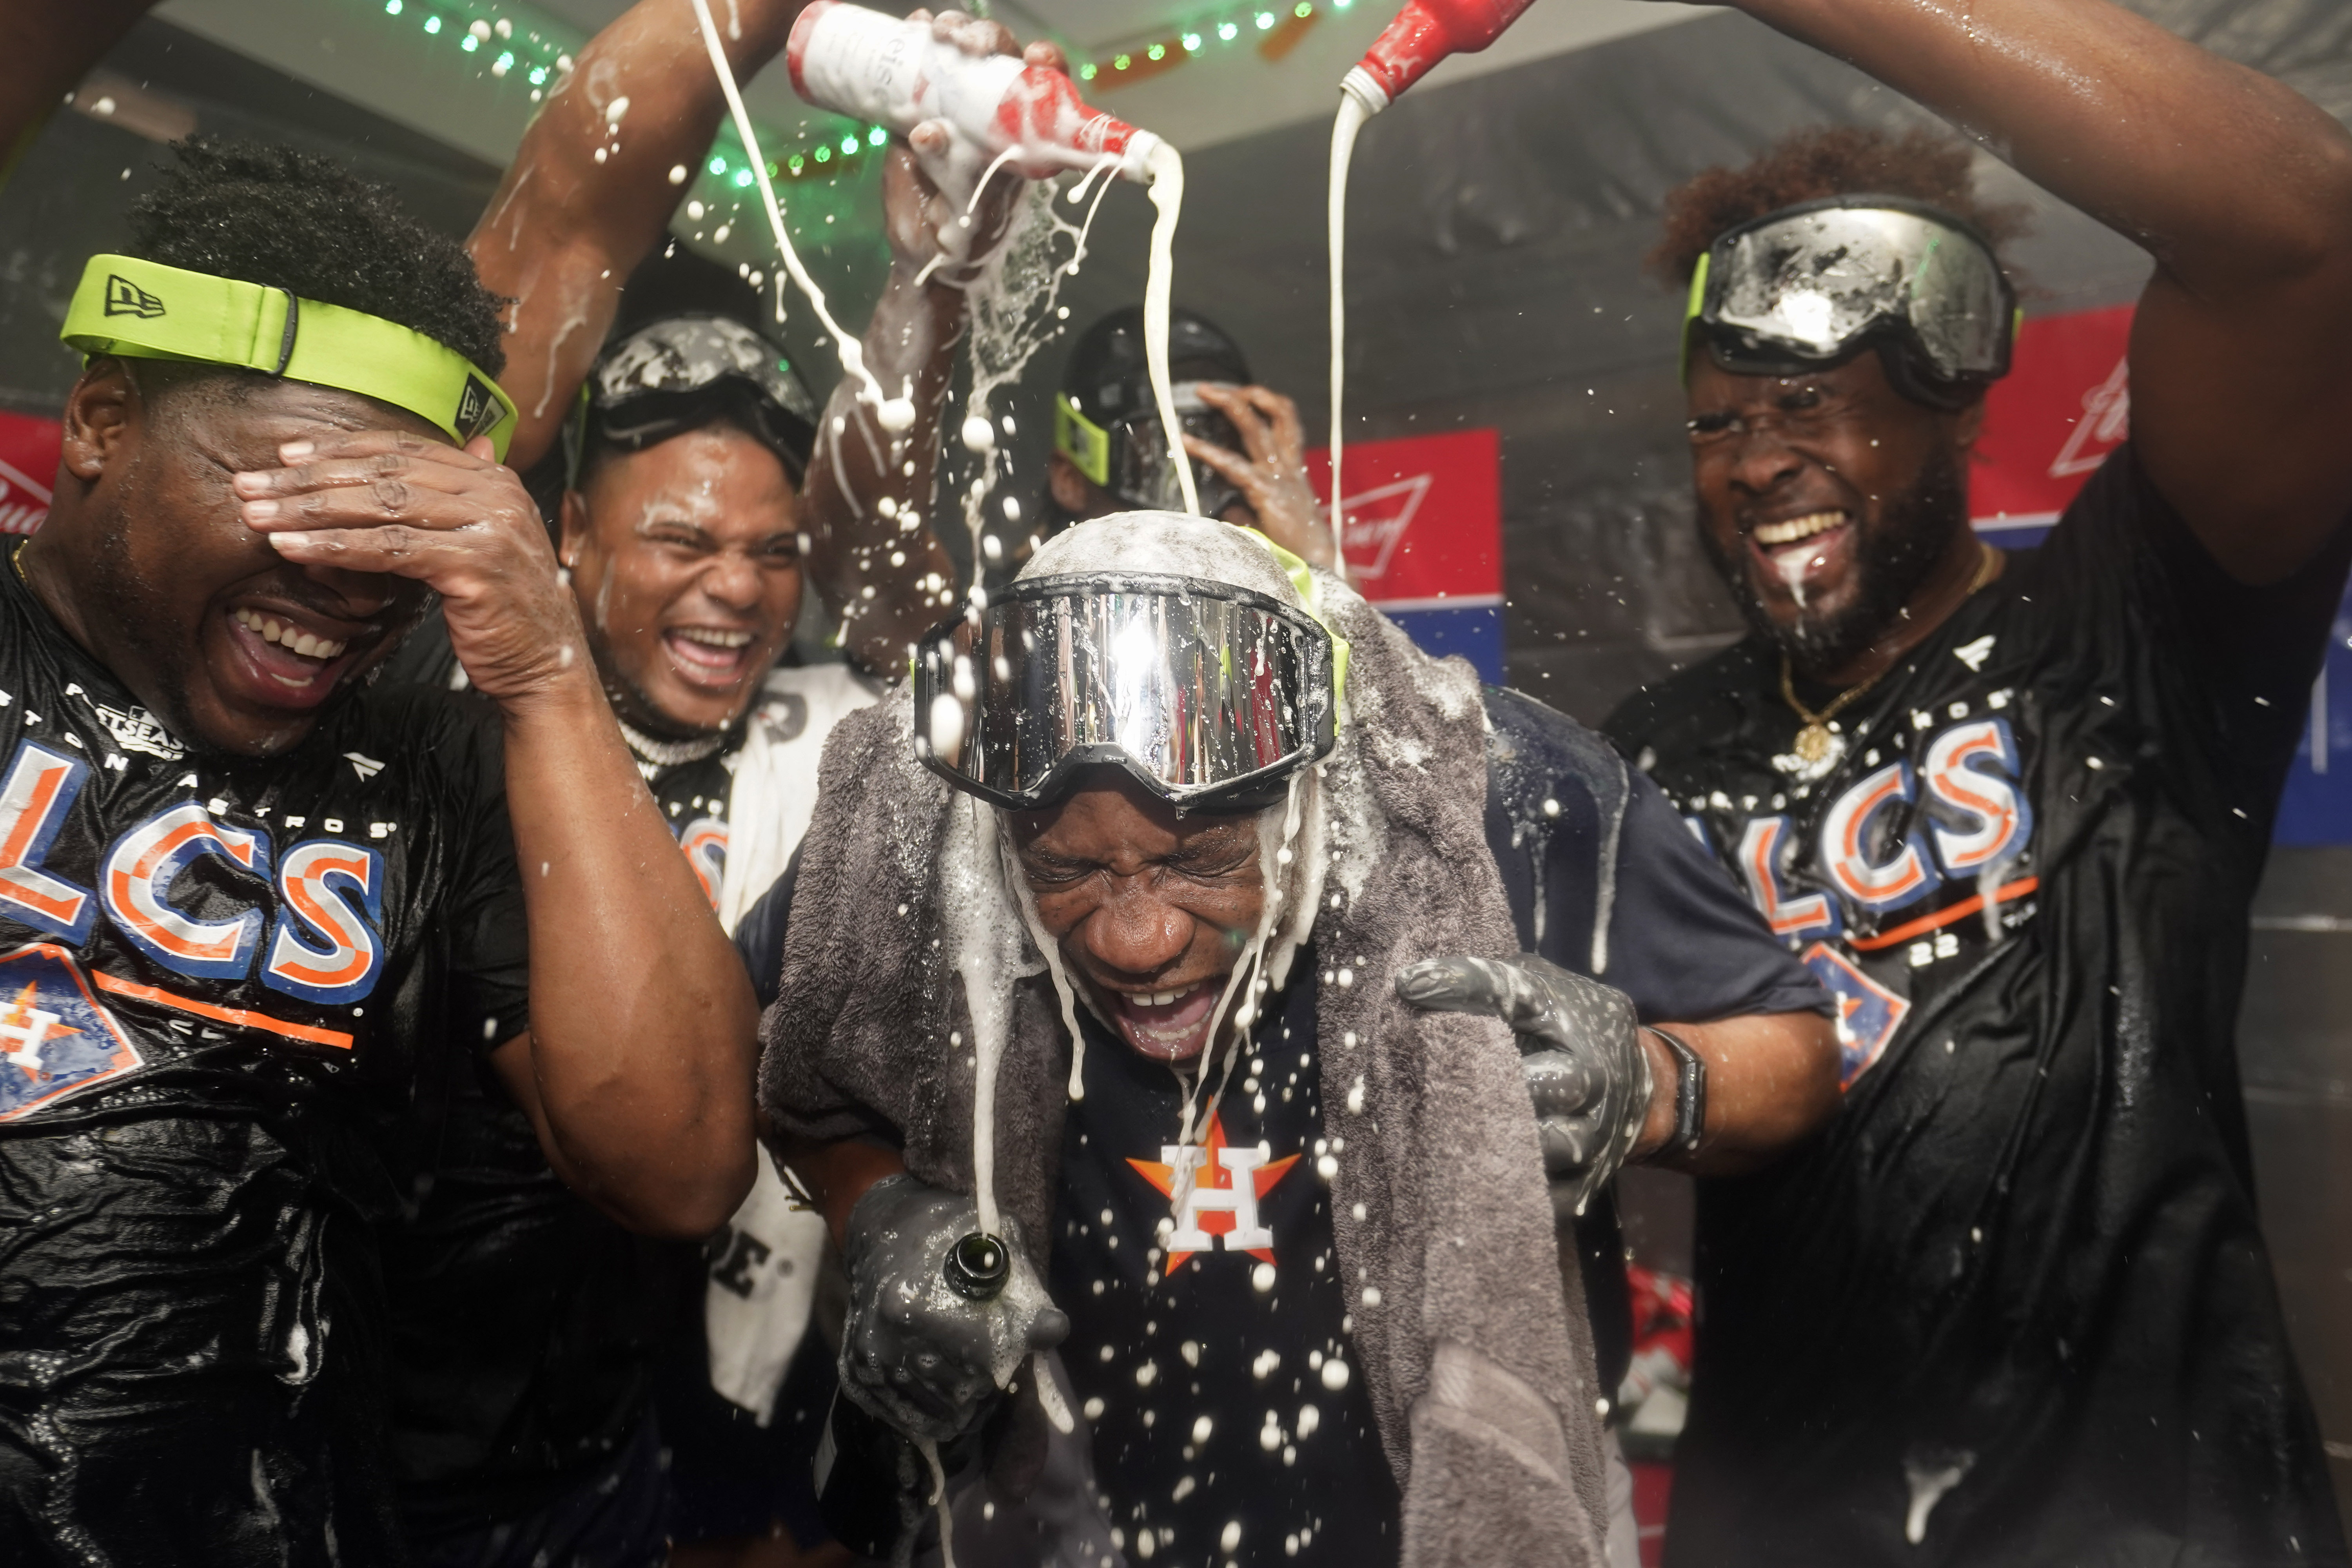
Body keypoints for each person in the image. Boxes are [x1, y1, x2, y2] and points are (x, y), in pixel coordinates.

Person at [1598, 0, 2352, 1557]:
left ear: (1951, 396)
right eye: (1718, 422)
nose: (1750, 464)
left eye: (1808, 404)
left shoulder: (2139, 631)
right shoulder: (1655, 754)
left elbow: (2305, 237)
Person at [742, 512, 1837, 1565]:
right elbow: (774, 1072)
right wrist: (876, 1207)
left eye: (1202, 859)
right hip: (1069, 1526)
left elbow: (1795, 1056)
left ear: (1314, 794)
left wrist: (1649, 1085)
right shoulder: (924, 819)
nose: (1136, 939)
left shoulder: (1495, 798)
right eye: (1068, 871)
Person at [372, 5, 1065, 1564]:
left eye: (768, 554)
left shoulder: (830, 736)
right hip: (423, 1445)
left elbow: (886, 568)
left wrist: (928, 282)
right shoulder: (450, 714)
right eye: (683, 543)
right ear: (571, 541)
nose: (737, 592)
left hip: (721, 1448)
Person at [0, 137, 756, 1567]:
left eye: (391, 523)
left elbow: (680, 1161)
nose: (347, 580)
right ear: (103, 418)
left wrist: (543, 669)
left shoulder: (430, 745)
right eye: (294, 494)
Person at [1036, 305, 1337, 569]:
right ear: (1071, 481)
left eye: (1236, 471)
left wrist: (1317, 561)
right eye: (1172, 473)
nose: (1227, 517)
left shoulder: (1261, 615)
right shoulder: (1008, 619)